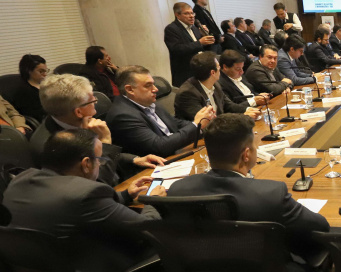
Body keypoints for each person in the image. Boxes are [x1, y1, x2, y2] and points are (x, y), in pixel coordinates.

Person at [168, 114, 330, 272]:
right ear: (246, 155)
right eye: (255, 146)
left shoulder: (178, 190)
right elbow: (320, 228)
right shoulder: (270, 194)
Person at [3, 129, 164, 272]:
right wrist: (152, 200)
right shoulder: (83, 194)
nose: (101, 165)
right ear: (86, 164)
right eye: (100, 160)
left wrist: (125, 195)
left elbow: (67, 207)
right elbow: (148, 227)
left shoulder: (19, 180)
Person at [31, 73, 165, 186]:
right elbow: (96, 185)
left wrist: (134, 159)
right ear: (78, 112)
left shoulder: (76, 120)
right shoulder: (50, 146)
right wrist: (106, 142)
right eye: (92, 99)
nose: (96, 101)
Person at [107, 65, 214, 157]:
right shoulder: (123, 115)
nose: (155, 89)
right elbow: (159, 146)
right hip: (148, 171)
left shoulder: (148, 101)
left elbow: (175, 123)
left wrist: (206, 125)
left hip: (174, 155)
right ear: (130, 90)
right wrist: (196, 125)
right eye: (148, 85)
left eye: (153, 84)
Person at [174, 52, 257, 121]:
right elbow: (206, 121)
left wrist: (248, 110)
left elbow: (229, 106)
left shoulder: (215, 84)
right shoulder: (187, 93)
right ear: (213, 72)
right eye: (218, 67)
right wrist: (241, 117)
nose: (220, 69)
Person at [164, 2, 217, 87]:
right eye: (187, 13)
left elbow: (202, 48)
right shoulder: (171, 29)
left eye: (192, 13)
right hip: (186, 72)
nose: (191, 16)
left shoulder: (194, 28)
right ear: (177, 15)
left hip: (202, 69)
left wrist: (207, 39)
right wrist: (200, 42)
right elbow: (176, 49)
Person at [10, 54, 48, 121]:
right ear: (29, 71)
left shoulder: (43, 85)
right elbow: (36, 115)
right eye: (41, 71)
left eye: (46, 71)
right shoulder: (24, 92)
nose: (45, 74)